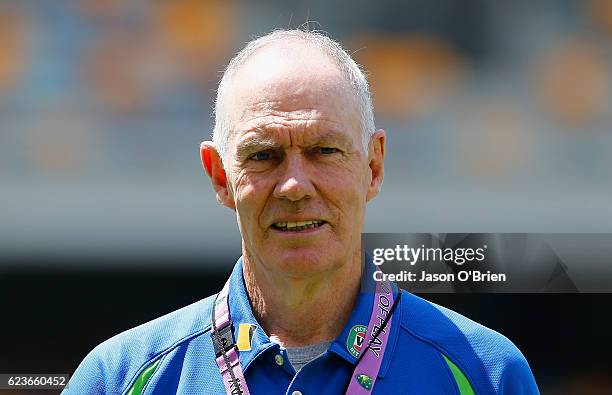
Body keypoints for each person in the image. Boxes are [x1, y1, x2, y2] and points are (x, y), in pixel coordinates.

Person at [64, 29, 540, 395]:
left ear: (372, 166)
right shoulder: (120, 377)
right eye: (263, 154)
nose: (294, 185)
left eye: (324, 151)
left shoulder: (486, 373)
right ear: (219, 175)